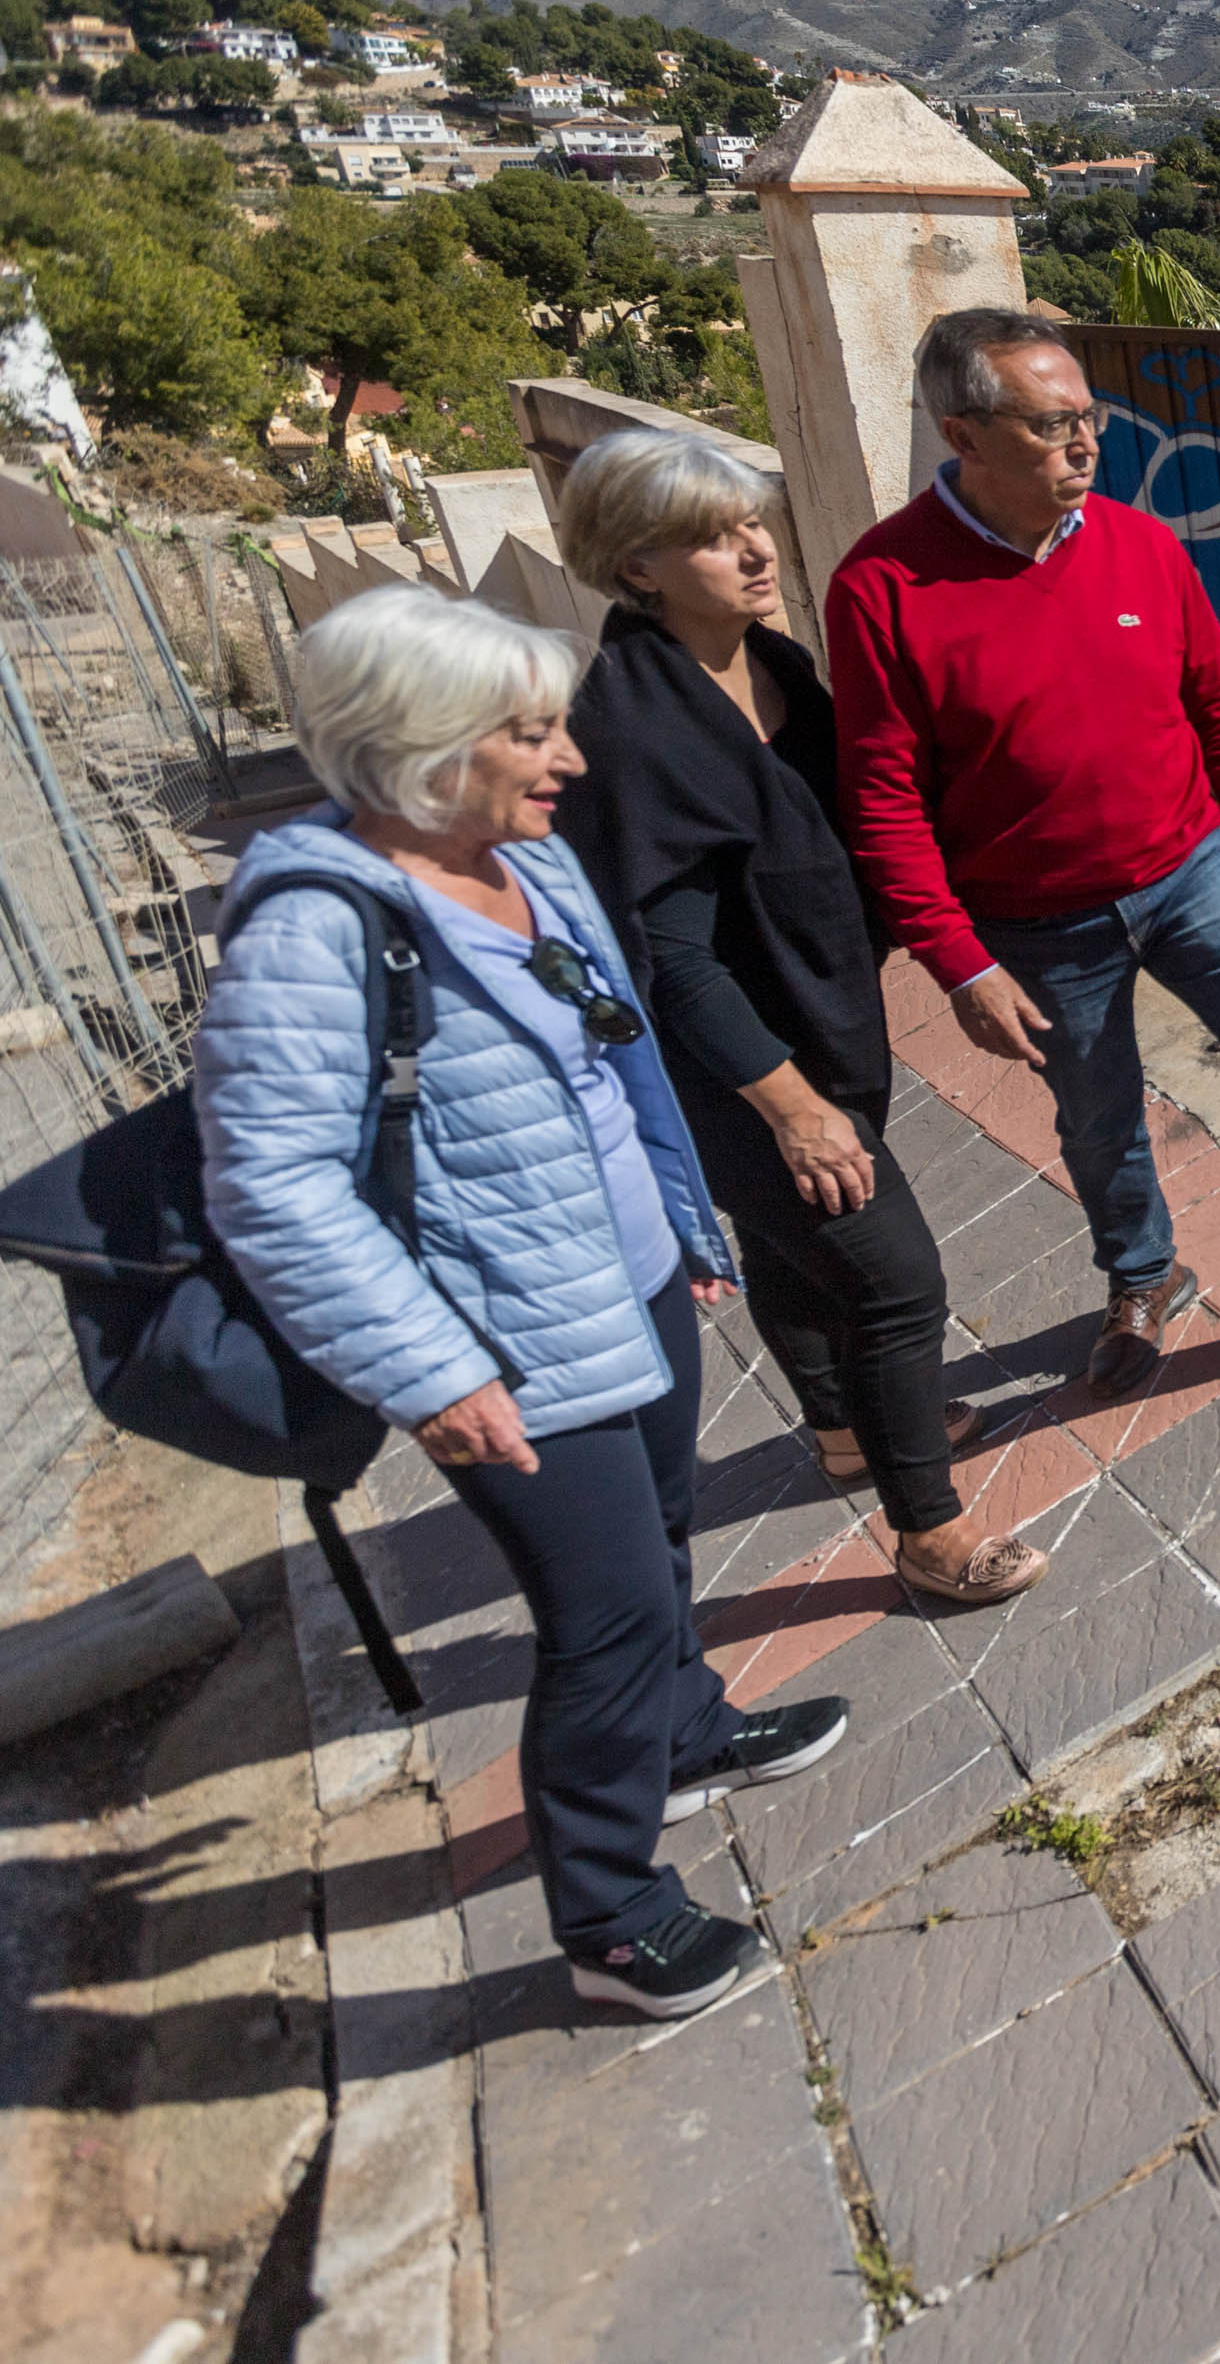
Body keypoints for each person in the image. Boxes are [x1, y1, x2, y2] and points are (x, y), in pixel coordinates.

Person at [195, 586, 847, 2020]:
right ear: (425, 747)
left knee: (661, 1541)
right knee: (602, 1617)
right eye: (532, 733)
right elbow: (272, 1185)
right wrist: (430, 1371)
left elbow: (608, 1062)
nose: (570, 761)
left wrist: (677, 1221)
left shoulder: (521, 859)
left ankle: (685, 1736)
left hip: (618, 1287)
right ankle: (612, 1917)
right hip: (501, 1341)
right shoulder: (314, 929)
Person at [826, 307, 1220, 1396]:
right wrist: (962, 965)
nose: (1087, 444)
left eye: (1089, 417)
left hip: (1195, 877)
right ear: (965, 436)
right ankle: (1142, 1277)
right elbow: (882, 801)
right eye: (1051, 426)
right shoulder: (884, 587)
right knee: (1097, 1121)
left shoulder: (1142, 545)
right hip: (1035, 922)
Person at [553, 429, 1046, 1607]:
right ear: (636, 570)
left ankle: (840, 1433)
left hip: (823, 1024)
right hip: (733, 1072)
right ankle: (927, 1536)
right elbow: (669, 959)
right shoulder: (632, 728)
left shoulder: (767, 665)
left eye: (750, 522)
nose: (753, 549)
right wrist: (790, 1109)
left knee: (796, 1253)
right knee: (894, 1285)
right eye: (710, 538)